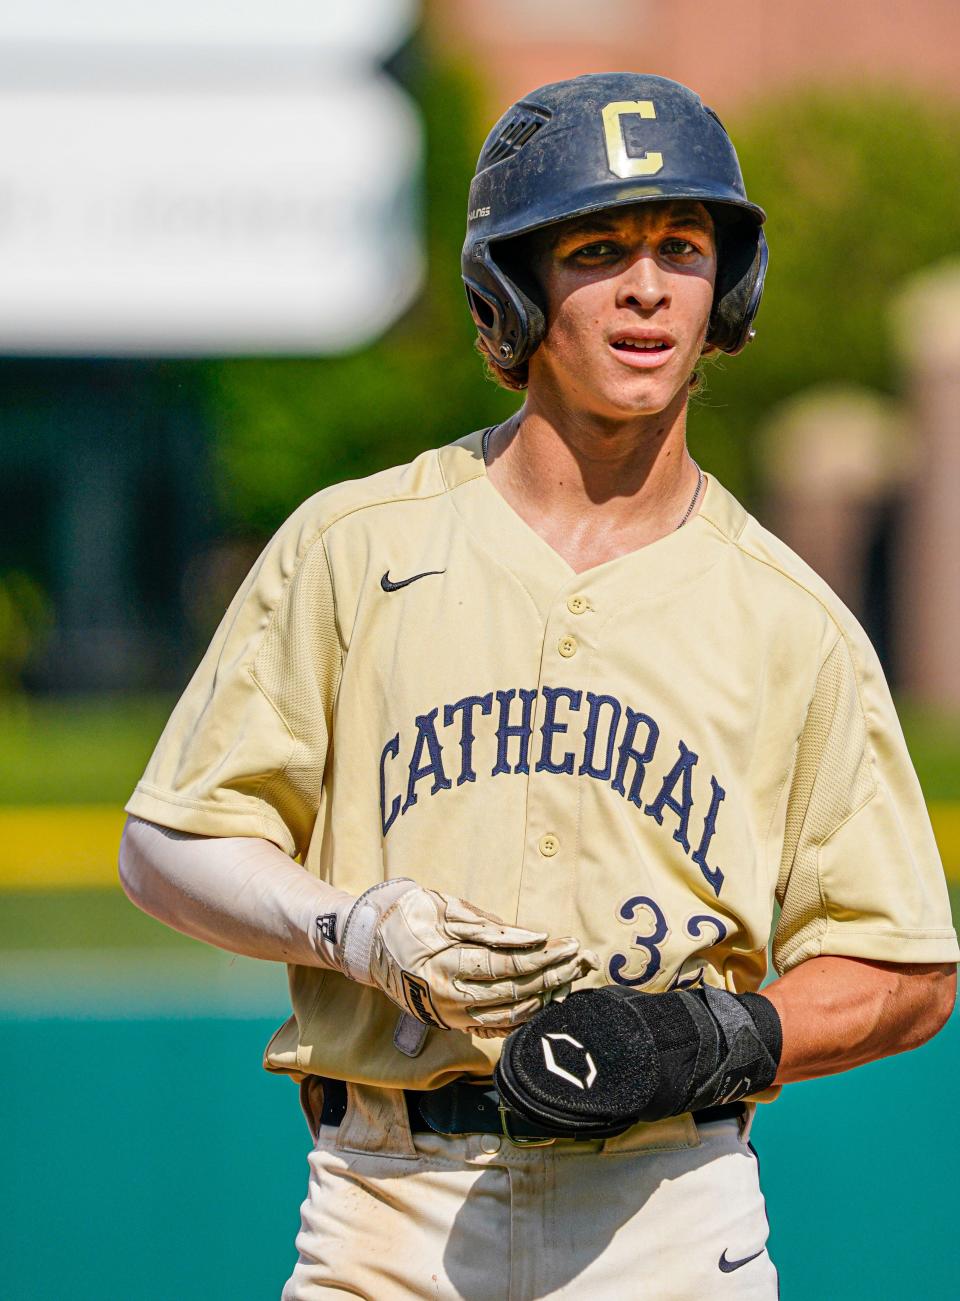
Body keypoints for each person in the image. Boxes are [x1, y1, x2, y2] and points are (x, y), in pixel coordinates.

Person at [118, 72, 958, 1299]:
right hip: (386, 1202)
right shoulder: (356, 547)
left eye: (682, 245)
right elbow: (167, 845)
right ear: (512, 290)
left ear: (727, 285)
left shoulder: (794, 620)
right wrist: (353, 929)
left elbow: (905, 969)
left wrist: (720, 1034)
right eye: (598, 246)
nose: (646, 287)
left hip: (666, 1213)